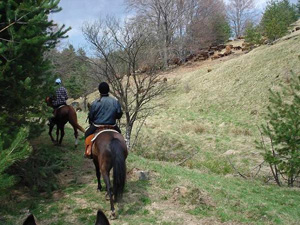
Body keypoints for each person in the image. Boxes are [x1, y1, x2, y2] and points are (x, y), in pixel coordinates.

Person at [85, 82, 123, 158]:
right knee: (120, 135)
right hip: (112, 125)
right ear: (108, 90)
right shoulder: (115, 101)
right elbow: (119, 114)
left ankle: (88, 152)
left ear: (99, 91)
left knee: (87, 134)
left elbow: (91, 116)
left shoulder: (95, 102)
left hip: (97, 125)